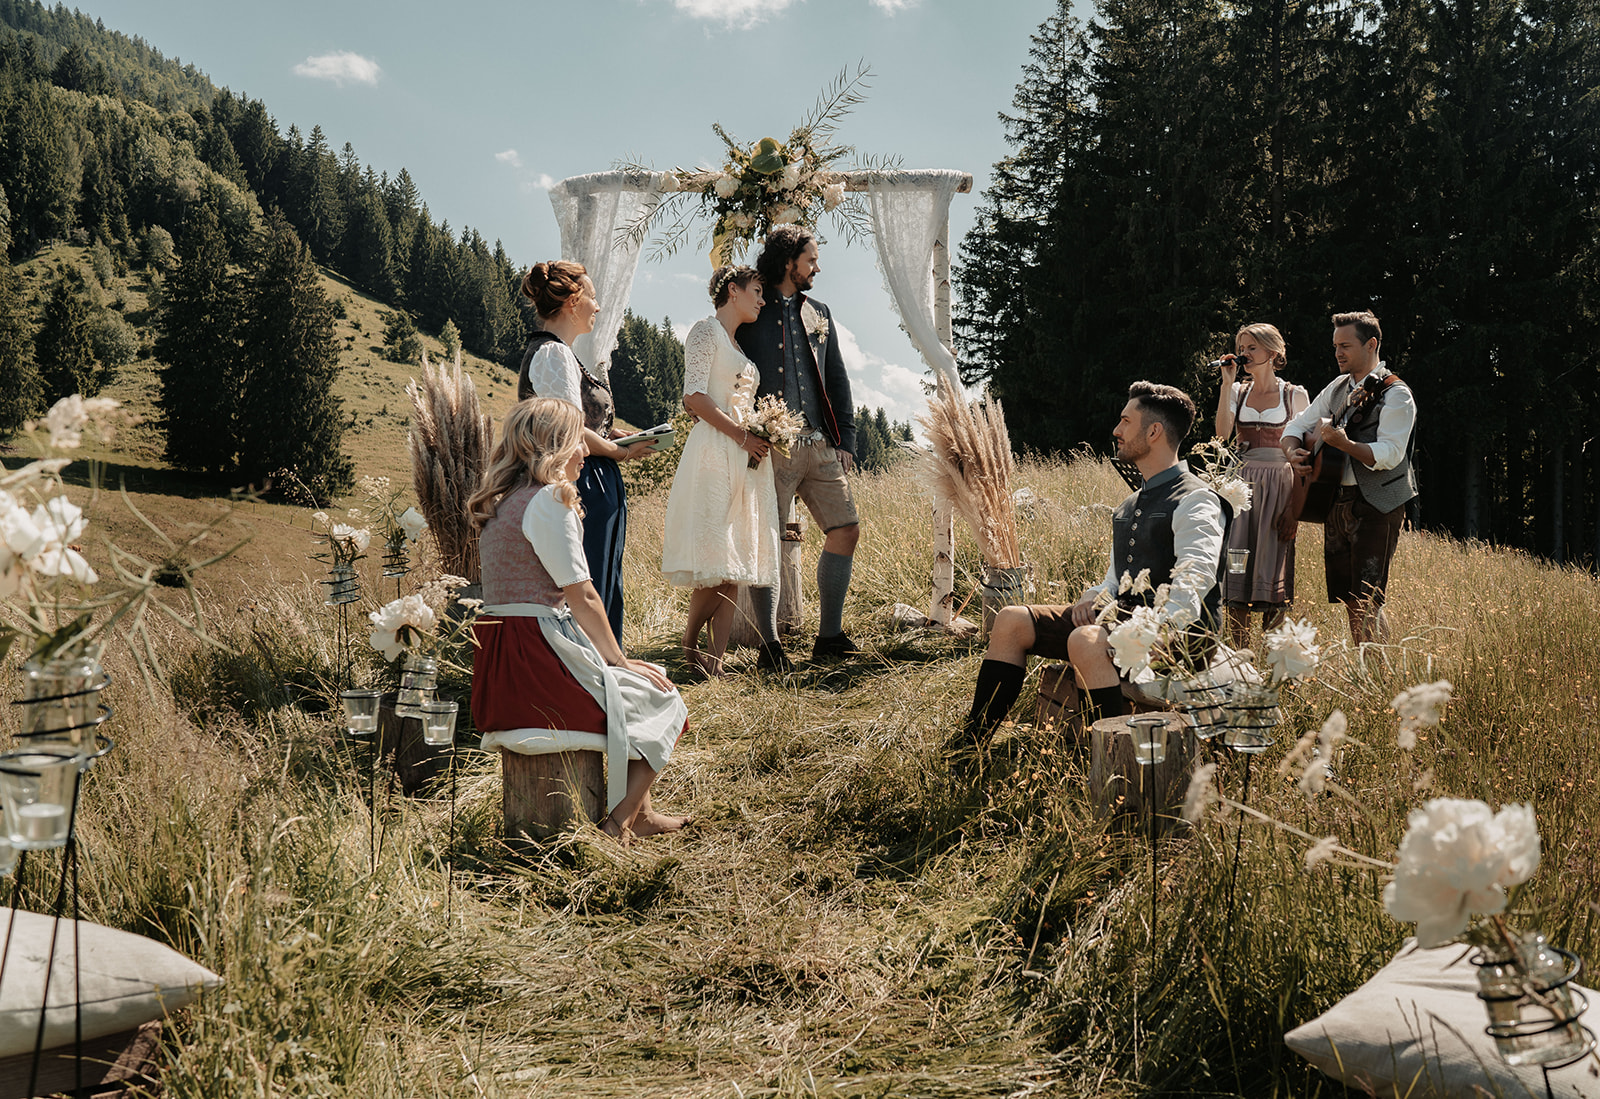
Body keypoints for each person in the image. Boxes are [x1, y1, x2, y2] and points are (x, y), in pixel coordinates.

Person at [953, 382, 1228, 751]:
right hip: (1125, 619)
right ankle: (971, 745)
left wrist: (1157, 635)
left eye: (1125, 421)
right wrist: (1095, 598)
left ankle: (1104, 760)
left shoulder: (1196, 499)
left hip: (1179, 641)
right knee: (1011, 620)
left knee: (1084, 640)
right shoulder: (1130, 504)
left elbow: (1195, 584)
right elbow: (1115, 580)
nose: (1116, 430)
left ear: (1153, 431)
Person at [467, 398, 689, 843]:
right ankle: (620, 822)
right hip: (538, 658)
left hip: (504, 661)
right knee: (666, 699)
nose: (586, 453)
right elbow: (582, 594)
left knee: (650, 682)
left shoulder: (504, 503)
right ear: (554, 445)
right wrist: (619, 660)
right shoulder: (550, 499)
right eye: (577, 442)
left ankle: (640, 814)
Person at [735, 226, 860, 667]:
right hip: (771, 448)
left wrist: (844, 438)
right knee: (767, 539)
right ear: (789, 262)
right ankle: (769, 646)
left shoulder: (820, 312)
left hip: (820, 444)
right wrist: (744, 433)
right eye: (811, 260)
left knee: (846, 528)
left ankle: (829, 637)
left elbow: (838, 378)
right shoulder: (754, 306)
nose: (817, 268)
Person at [517, 260, 658, 643]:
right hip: (584, 481)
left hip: (596, 475)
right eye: (592, 297)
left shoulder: (561, 353)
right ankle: (596, 670)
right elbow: (568, 428)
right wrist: (618, 452)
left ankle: (605, 666)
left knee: (603, 572)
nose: (597, 307)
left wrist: (618, 435)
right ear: (572, 300)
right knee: (590, 574)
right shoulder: (553, 353)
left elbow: (582, 419)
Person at [660, 266, 782, 677]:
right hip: (715, 451)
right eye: (758, 291)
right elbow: (693, 396)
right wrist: (741, 436)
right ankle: (690, 640)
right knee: (717, 556)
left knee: (734, 563)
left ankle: (714, 665)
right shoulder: (705, 332)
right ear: (734, 290)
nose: (762, 300)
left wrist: (763, 433)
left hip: (745, 460)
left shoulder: (738, 347)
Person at [1281, 310, 1418, 645]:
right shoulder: (1339, 387)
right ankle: (1367, 670)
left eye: (1345, 345)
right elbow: (1297, 424)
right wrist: (1292, 451)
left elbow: (1389, 455)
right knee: (1350, 600)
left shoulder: (1395, 394)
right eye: (1335, 346)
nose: (1338, 353)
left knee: (1369, 598)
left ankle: (1378, 676)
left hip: (1377, 503)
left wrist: (1345, 444)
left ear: (1371, 344)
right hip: (1333, 501)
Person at [1212, 323, 1309, 647]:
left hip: (1279, 489)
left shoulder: (1293, 394)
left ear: (1273, 352)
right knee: (1236, 567)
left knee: (1273, 566)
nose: (1244, 353)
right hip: (1240, 491)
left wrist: (1295, 509)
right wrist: (1227, 384)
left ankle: (1274, 659)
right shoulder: (1238, 393)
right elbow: (1221, 436)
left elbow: (1306, 455)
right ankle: (1239, 657)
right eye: (1242, 346)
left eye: (1252, 347)